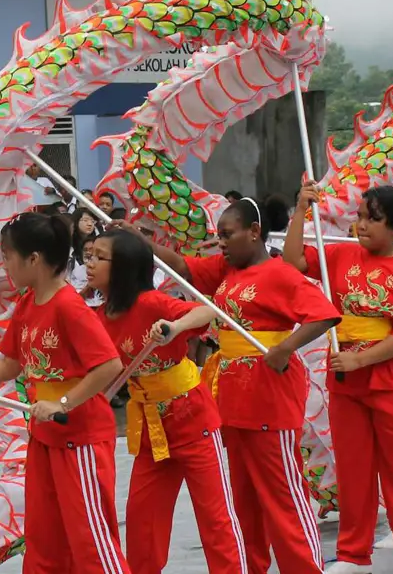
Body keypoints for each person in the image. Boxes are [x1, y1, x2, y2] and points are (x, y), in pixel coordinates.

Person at [120, 197, 340, 574]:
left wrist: (284, 348)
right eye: (218, 235)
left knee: (283, 496)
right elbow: (183, 267)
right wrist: (140, 242)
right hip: (233, 398)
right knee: (246, 499)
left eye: (227, 234)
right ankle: (253, 566)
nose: (220, 242)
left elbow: (323, 314)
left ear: (254, 232)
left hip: (271, 395)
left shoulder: (281, 273)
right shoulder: (226, 269)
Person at [0, 212, 129, 572]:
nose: (4, 265)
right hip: (44, 436)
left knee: (91, 540)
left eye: (7, 256)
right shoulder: (26, 304)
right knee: (43, 538)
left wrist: (62, 403)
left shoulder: (69, 306)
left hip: (79, 439)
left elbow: (109, 366)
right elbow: (10, 365)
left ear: (34, 259)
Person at [284, 185, 393, 573]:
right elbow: (293, 261)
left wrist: (361, 360)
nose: (362, 226)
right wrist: (301, 210)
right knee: (354, 472)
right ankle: (354, 554)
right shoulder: (340, 255)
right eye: (360, 217)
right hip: (347, 387)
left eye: (372, 219)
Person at [87, 229, 246, 574]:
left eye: (99, 257)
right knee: (142, 523)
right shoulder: (96, 318)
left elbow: (207, 311)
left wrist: (173, 328)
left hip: (193, 419)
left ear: (125, 267)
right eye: (89, 256)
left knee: (215, 518)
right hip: (148, 428)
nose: (89, 265)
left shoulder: (152, 303)